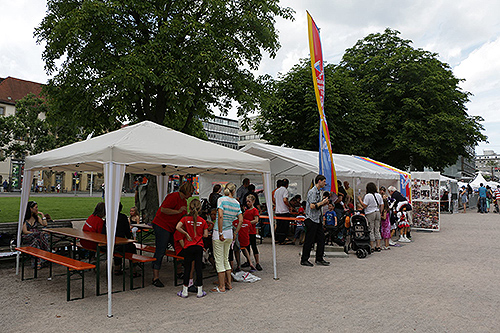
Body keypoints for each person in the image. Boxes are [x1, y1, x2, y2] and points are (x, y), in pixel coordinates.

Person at [151, 182, 195, 288]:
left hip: (172, 227)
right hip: (162, 225)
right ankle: (155, 277)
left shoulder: (184, 201)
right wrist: (177, 211)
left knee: (178, 246)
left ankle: (179, 270)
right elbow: (163, 209)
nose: (191, 195)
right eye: (191, 193)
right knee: (161, 249)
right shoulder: (173, 196)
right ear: (187, 191)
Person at [212, 182, 243, 293]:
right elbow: (240, 220)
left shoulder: (221, 200)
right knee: (226, 259)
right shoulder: (236, 203)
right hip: (230, 232)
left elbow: (220, 215)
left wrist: (220, 232)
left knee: (219, 261)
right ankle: (228, 283)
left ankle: (221, 286)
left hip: (219, 232)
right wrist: (236, 232)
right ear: (234, 191)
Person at [175, 199, 209, 298]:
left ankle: (185, 291)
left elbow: (177, 227)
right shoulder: (203, 221)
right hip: (198, 246)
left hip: (188, 246)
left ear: (189, 207)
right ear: (200, 209)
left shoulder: (185, 219)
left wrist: (186, 233)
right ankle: (200, 291)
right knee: (198, 268)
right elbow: (206, 235)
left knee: (187, 268)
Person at [300, 175, 331, 267]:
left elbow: (317, 206)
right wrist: (323, 202)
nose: (325, 183)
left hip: (317, 219)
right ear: (319, 181)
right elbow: (312, 206)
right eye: (324, 181)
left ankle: (319, 258)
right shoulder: (312, 192)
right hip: (311, 219)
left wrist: (322, 203)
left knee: (321, 239)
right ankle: (304, 259)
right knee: (309, 240)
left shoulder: (319, 192)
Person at [357, 182, 383, 252]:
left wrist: (360, 200)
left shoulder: (368, 196)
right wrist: (380, 211)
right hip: (377, 212)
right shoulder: (378, 195)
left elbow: (364, 205)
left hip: (370, 213)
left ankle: (372, 246)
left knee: (371, 229)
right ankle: (378, 246)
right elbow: (382, 204)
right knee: (377, 229)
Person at [22, 201, 50, 267]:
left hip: (37, 237)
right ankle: (47, 254)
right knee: (41, 236)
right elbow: (25, 231)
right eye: (36, 207)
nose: (37, 209)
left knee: (37, 242)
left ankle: (37, 263)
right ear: (30, 209)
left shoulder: (36, 217)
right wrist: (35, 233)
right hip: (28, 236)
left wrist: (42, 215)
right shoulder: (24, 219)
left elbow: (44, 224)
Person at [114, 202, 138, 276]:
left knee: (117, 249)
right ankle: (133, 270)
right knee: (132, 248)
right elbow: (127, 231)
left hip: (112, 242)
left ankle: (117, 268)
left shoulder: (109, 217)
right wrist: (130, 239)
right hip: (120, 242)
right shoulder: (123, 217)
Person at [241, 194, 262, 271]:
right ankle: (248, 261)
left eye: (249, 201)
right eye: (247, 201)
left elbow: (256, 220)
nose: (247, 203)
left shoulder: (255, 210)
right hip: (246, 231)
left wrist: (248, 223)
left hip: (252, 231)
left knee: (254, 246)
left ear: (253, 201)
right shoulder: (246, 210)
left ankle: (257, 263)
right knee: (246, 247)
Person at [274, 178, 292, 244]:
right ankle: (282, 240)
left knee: (278, 226)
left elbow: (275, 200)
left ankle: (277, 239)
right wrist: (289, 206)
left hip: (278, 211)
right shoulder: (285, 190)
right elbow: (285, 200)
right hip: (284, 211)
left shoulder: (276, 191)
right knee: (284, 227)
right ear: (287, 184)